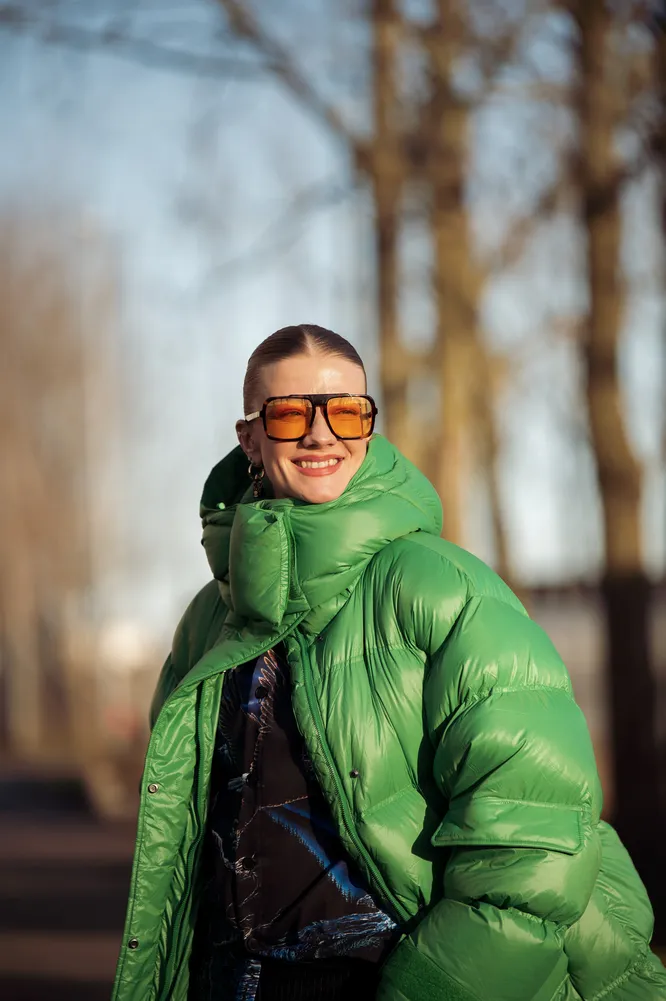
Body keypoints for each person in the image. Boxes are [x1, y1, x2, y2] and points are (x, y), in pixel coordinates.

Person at [112, 324, 666, 1001]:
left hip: (392, 977)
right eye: (290, 414)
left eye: (347, 412)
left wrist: (428, 989)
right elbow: (185, 838)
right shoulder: (207, 621)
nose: (321, 435)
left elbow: (533, 836)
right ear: (250, 438)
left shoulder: (442, 587)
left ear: (369, 427)